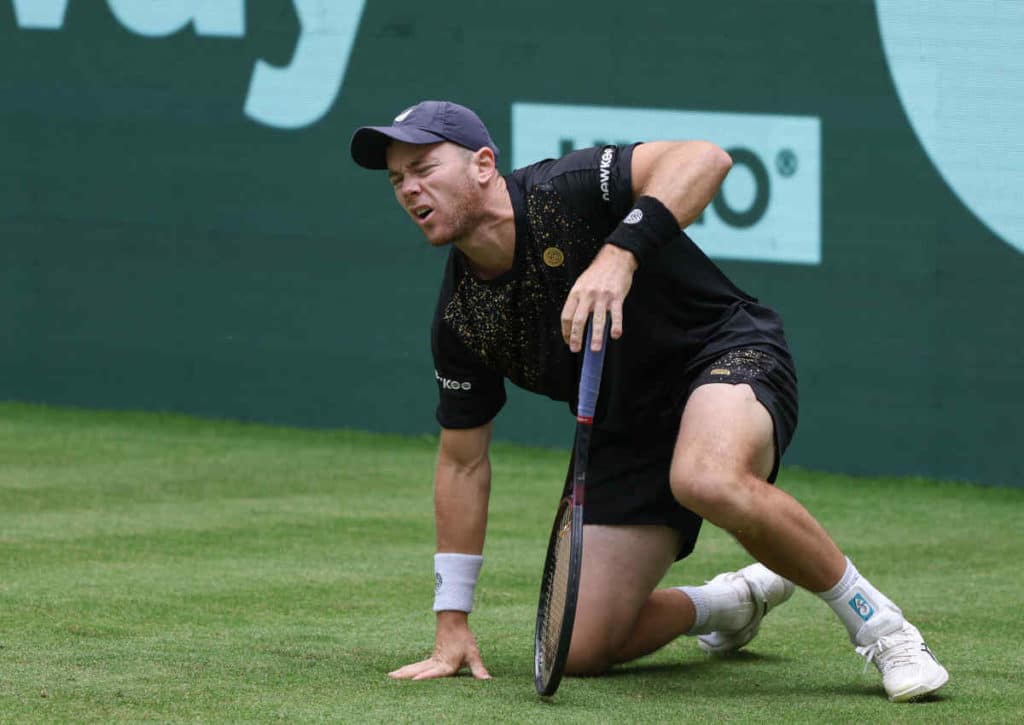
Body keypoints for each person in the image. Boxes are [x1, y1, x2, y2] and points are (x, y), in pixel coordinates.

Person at [349, 100, 949, 702]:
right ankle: (729, 603)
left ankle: (882, 627)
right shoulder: (462, 319)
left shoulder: (564, 190)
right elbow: (462, 463)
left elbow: (706, 159)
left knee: (705, 476)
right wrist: (452, 621)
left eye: (424, 167)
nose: (409, 188)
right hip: (627, 426)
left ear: (483, 164)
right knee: (578, 649)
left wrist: (621, 253)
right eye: (398, 178)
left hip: (720, 354)